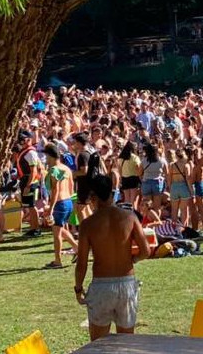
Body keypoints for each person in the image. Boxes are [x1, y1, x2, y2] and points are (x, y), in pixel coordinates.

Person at [74, 175, 150, 341]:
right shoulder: (130, 217)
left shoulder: (88, 224)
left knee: (98, 345)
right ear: (111, 193)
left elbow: (82, 263)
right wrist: (132, 260)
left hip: (102, 286)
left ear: (93, 197)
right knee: (126, 343)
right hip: (126, 283)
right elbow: (146, 251)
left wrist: (78, 288)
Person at [43, 144, 78, 269]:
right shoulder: (66, 168)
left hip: (59, 202)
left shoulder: (54, 170)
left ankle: (58, 260)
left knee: (56, 232)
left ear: (50, 156)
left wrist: (51, 208)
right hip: (68, 201)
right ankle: (77, 248)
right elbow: (71, 186)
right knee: (61, 228)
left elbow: (55, 190)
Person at [15, 130, 43, 237]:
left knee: (32, 206)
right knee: (29, 206)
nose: (21, 141)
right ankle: (33, 228)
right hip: (25, 180)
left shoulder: (31, 153)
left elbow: (34, 171)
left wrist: (28, 185)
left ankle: (36, 229)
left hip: (30, 181)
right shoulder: (25, 151)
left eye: (24, 139)